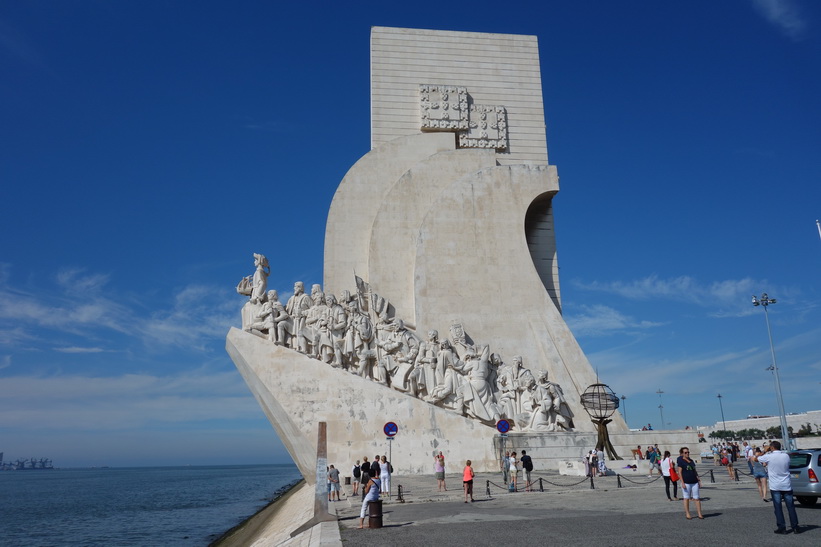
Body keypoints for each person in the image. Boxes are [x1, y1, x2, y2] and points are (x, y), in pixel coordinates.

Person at [755, 441, 801, 534]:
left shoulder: (769, 456)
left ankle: (782, 527)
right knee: (791, 507)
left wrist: (764, 451)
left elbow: (756, 459)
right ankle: (795, 526)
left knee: (778, 507)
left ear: (771, 448)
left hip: (775, 485)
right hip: (786, 484)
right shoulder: (786, 456)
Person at [676, 446, 703, 520]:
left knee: (697, 498)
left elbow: (694, 471)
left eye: (688, 452)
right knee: (686, 498)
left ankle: (699, 513)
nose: (687, 453)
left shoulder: (691, 461)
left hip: (694, 482)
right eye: (685, 452)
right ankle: (688, 513)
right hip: (686, 482)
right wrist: (682, 482)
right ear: (682, 454)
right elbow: (680, 472)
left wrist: (699, 480)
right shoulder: (681, 461)